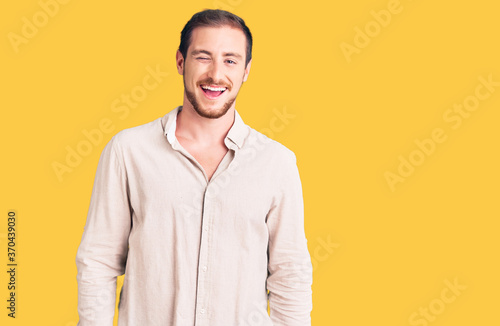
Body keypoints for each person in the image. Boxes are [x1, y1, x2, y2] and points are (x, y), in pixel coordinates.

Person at [75, 9, 313, 326]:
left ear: (246, 70)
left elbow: (290, 272)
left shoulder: (276, 162)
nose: (216, 74)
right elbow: (98, 261)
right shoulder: (129, 151)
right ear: (180, 61)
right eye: (203, 57)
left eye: (230, 60)